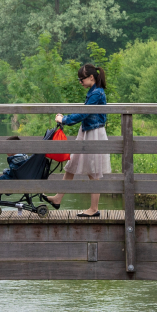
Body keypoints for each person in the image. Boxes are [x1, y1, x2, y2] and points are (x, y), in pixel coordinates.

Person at [54, 63, 110, 218]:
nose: (80, 82)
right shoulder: (93, 91)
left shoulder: (97, 93)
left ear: (91, 77)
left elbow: (84, 113)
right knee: (71, 165)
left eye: (82, 79)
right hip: (87, 131)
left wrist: (64, 119)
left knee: (93, 170)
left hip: (94, 133)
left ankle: (93, 209)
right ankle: (58, 198)